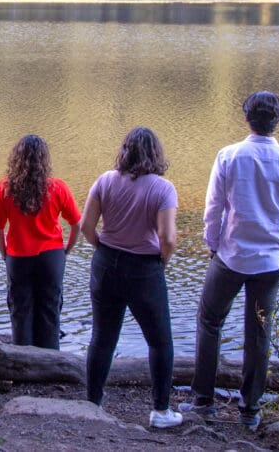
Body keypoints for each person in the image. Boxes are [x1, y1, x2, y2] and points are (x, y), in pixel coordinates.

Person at [180, 91, 279, 427]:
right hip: (269, 263)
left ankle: (203, 401)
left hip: (231, 257)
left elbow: (214, 209)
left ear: (246, 117)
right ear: (277, 120)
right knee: (259, 333)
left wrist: (212, 244)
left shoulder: (229, 156)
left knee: (210, 322)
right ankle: (250, 409)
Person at [80, 127, 182, 429]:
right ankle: (161, 411)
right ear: (155, 153)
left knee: (102, 338)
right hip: (144, 269)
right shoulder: (163, 189)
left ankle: (93, 404)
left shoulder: (105, 180)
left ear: (124, 151)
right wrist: (161, 261)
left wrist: (104, 249)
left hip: (106, 263)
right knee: (160, 341)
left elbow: (86, 226)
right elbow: (169, 238)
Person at [0, 134, 80, 350]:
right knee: (50, 310)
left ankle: (23, 363)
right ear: (44, 160)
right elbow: (77, 224)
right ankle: (50, 361)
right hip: (52, 256)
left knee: (20, 310)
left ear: (16, 159)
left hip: (18, 257)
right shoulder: (58, 188)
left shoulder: (5, 189)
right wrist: (66, 251)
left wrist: (4, 253)